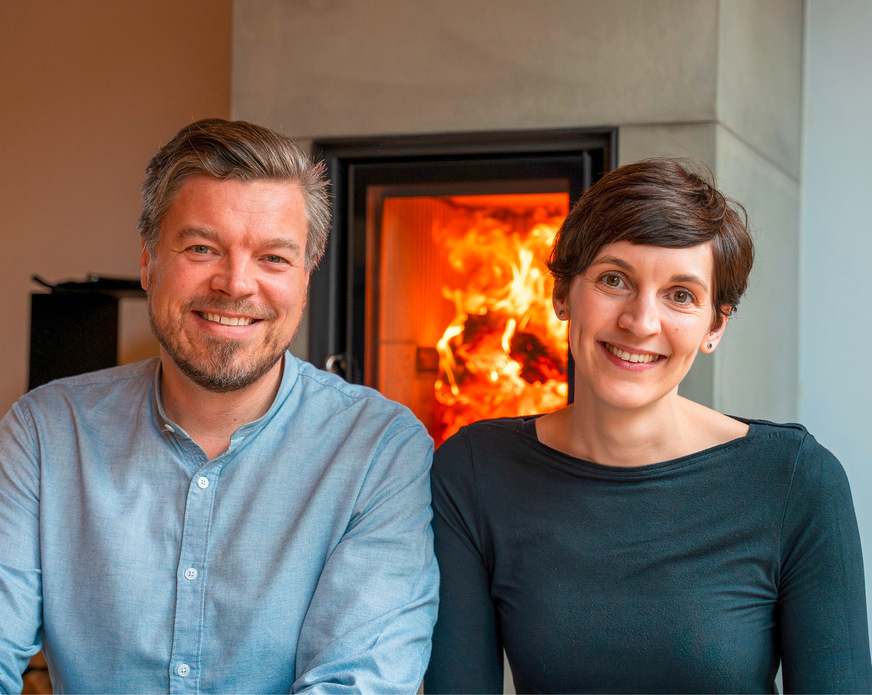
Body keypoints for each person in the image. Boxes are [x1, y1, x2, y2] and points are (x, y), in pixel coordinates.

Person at [0, 118, 438, 694]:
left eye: (274, 259)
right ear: (148, 262)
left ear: (306, 278)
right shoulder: (45, 432)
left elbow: (357, 685)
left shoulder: (378, 447)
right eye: (202, 248)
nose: (236, 284)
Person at [424, 158, 872, 693]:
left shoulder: (797, 480)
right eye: (614, 280)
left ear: (715, 325)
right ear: (562, 295)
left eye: (681, 295)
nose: (640, 323)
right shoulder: (475, 471)